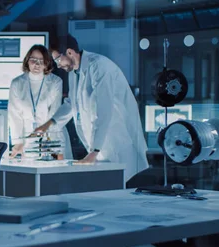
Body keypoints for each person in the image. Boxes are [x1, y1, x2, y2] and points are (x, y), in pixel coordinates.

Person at [34, 34, 149, 181]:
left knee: (120, 191)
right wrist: (48, 124)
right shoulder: (74, 72)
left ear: (69, 52)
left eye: (57, 60)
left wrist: (93, 152)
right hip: (100, 147)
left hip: (116, 142)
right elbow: (71, 103)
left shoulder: (99, 67)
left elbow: (104, 110)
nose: (58, 65)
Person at [7, 44, 73, 159]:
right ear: (27, 61)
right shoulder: (17, 83)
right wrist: (18, 142)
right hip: (27, 139)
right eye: (33, 60)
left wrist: (48, 141)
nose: (37, 64)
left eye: (41, 61)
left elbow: (54, 112)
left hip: (52, 136)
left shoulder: (55, 82)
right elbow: (14, 115)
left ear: (46, 63)